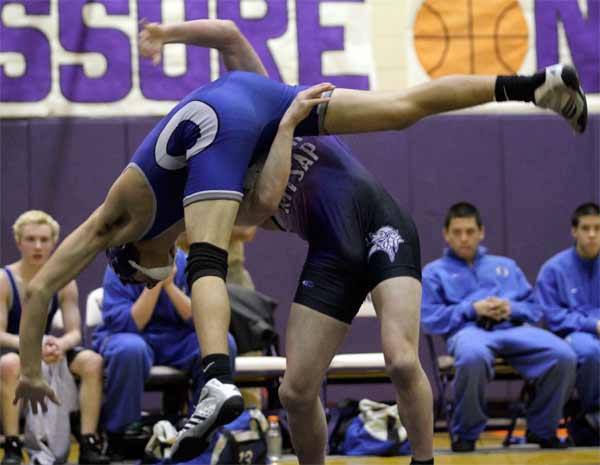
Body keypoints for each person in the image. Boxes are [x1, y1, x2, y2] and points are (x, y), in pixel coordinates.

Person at [14, 18, 588, 461]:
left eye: (156, 265)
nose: (171, 261)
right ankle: (531, 86)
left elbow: (232, 44)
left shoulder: (218, 163)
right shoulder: (224, 171)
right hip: (329, 250)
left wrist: (170, 33)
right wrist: (282, 125)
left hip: (378, 225)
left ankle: (528, 86)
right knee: (294, 390)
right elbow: (264, 203)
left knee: (400, 355)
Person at [421, 202, 577, 452]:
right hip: (469, 332)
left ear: (481, 232)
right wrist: (472, 309)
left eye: (470, 231)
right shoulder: (434, 272)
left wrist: (510, 308)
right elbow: (429, 318)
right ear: (446, 235)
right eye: (457, 232)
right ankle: (466, 434)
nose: (464, 238)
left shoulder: (505, 266)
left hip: (512, 329)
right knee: (472, 355)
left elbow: (534, 308)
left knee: (563, 354)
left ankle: (542, 429)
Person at [92, 248, 237, 451]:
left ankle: (204, 431)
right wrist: (156, 282)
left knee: (222, 342)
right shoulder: (121, 263)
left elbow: (200, 319)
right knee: (129, 349)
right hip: (132, 335)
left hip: (175, 338)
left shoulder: (185, 262)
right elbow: (132, 324)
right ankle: (121, 435)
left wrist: (169, 285)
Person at [0, 210, 109, 464]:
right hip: (14, 347)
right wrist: (33, 345)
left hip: (47, 345)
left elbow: (74, 332)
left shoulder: (63, 278)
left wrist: (59, 344)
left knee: (92, 362)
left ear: (54, 242)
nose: (38, 246)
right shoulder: (4, 280)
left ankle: (88, 441)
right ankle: (13, 445)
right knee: (9, 364)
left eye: (44, 239)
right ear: (18, 242)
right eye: (31, 239)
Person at [534, 202, 600, 444]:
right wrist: (594, 325)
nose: (592, 234)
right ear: (575, 231)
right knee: (592, 351)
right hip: (570, 334)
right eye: (586, 228)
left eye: (597, 228)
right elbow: (552, 316)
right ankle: (591, 416)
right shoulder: (553, 269)